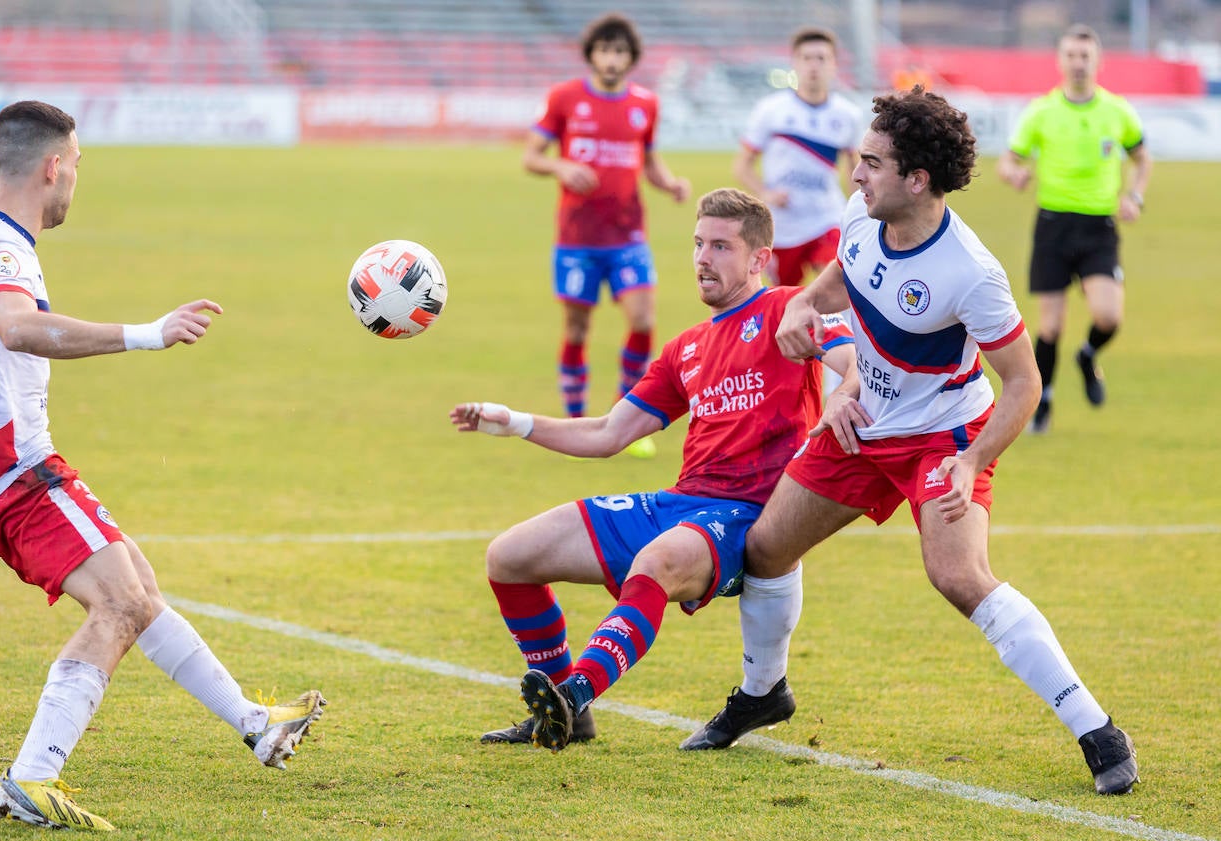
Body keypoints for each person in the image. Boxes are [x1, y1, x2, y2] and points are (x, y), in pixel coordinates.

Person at [0, 100, 326, 831]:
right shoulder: (2, 251)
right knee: (118, 605)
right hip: (13, 475)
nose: (77, 178)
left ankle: (254, 720)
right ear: (52, 166)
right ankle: (31, 779)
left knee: (136, 588)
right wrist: (150, 333)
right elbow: (18, 327)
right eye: (77, 164)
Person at [684, 87, 1138, 795]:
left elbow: (1022, 385)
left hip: (942, 438)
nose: (856, 173)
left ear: (916, 180)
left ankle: (1096, 730)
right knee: (767, 550)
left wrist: (972, 460)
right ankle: (763, 692)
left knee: (958, 576)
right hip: (863, 423)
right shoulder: (861, 217)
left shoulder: (971, 273)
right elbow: (839, 280)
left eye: (871, 162)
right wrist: (801, 307)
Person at [450, 188, 855, 751]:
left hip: (748, 514)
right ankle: (568, 714)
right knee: (510, 557)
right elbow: (608, 433)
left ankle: (572, 696)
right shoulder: (685, 348)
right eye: (697, 244)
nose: (702, 258)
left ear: (760, 258)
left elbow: (850, 359)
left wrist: (844, 395)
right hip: (683, 502)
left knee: (656, 562)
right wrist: (515, 422)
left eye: (720, 245)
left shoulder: (787, 308)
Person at [523, 12, 692, 460]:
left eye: (620, 51)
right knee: (577, 327)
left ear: (630, 58)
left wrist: (670, 183)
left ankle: (625, 416)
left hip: (628, 235)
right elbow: (531, 156)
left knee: (642, 320)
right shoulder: (566, 99)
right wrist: (560, 166)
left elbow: (650, 163)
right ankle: (576, 419)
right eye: (605, 50)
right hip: (577, 238)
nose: (612, 59)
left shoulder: (645, 105)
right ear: (592, 55)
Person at [996, 23, 1151, 433]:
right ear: (1060, 60)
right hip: (1053, 225)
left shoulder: (1117, 111)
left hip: (1099, 227)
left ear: (1097, 61)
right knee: (1050, 326)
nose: (1078, 63)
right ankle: (1042, 401)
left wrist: (1134, 197)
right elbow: (1008, 160)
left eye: (1085, 56)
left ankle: (1087, 355)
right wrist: (1015, 174)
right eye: (1071, 56)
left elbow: (1142, 158)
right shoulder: (1042, 111)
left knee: (1108, 315)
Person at [733, 26, 864, 287]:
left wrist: (858, 210)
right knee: (787, 302)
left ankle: (839, 329)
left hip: (827, 219)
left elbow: (857, 170)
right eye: (807, 58)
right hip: (783, 226)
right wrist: (766, 193)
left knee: (837, 286)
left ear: (834, 65)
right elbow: (742, 166)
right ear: (794, 63)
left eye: (821, 58)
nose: (814, 66)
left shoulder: (848, 114)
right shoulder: (771, 110)